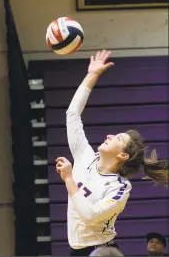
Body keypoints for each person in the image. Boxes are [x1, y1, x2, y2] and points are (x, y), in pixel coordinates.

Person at [55, 50, 169, 256]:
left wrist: (69, 179)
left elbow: (90, 215)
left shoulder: (120, 187)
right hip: (76, 250)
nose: (109, 135)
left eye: (117, 138)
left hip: (102, 251)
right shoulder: (85, 158)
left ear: (123, 156)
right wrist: (92, 75)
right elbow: (72, 114)